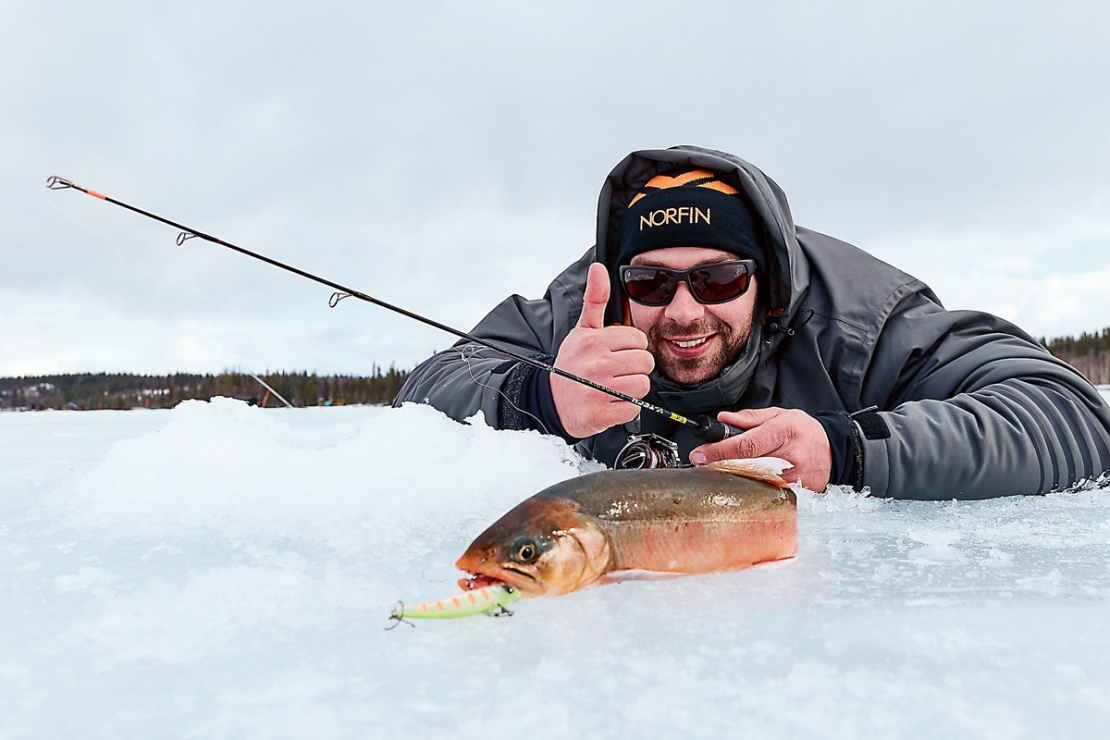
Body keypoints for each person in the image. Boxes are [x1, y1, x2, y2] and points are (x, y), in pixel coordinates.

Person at [395, 146, 1110, 499]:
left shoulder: (860, 322)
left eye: (718, 279)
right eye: (650, 281)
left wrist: (848, 449)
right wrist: (539, 397)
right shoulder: (580, 314)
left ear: (766, 283)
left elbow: (1069, 416)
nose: (681, 311)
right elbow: (423, 393)